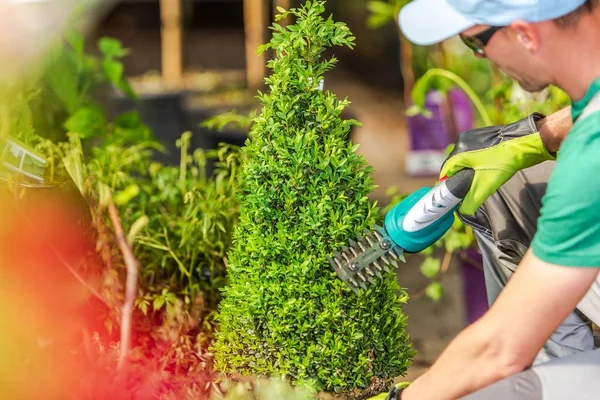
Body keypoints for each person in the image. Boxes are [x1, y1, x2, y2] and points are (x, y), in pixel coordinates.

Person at [381, 0, 600, 399]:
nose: (484, 58)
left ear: (525, 33)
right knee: (506, 188)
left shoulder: (591, 159)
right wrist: (537, 137)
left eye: (476, 45)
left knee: (490, 390)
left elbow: (499, 349)